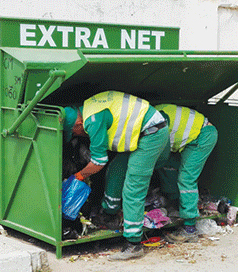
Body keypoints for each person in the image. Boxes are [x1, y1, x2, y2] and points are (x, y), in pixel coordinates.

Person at [63, 90, 169, 261]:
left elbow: (98, 161)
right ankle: (109, 212)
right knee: (116, 171)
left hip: (151, 134)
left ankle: (133, 244)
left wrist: (79, 176)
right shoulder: (89, 108)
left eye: (74, 133)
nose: (78, 135)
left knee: (133, 187)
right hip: (142, 132)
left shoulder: (92, 121)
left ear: (78, 124)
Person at [154, 104, 218, 242]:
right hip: (191, 138)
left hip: (203, 135)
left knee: (186, 178)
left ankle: (190, 228)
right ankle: (175, 204)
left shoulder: (156, 119)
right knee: (168, 166)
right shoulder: (153, 115)